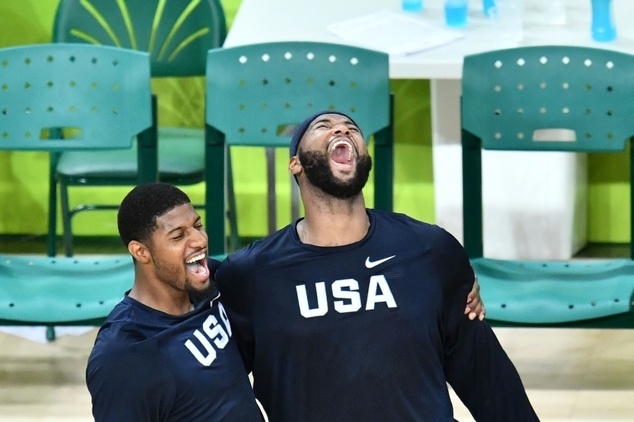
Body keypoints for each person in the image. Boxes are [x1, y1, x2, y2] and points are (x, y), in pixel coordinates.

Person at [215, 111, 539, 421]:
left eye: (352, 128)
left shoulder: (430, 250)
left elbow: (490, 381)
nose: (342, 130)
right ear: (295, 163)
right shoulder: (250, 276)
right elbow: (211, 390)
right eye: (323, 126)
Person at [85, 182, 264, 421]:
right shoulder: (124, 353)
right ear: (141, 252)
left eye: (198, 226)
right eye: (178, 235)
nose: (199, 240)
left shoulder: (210, 284)